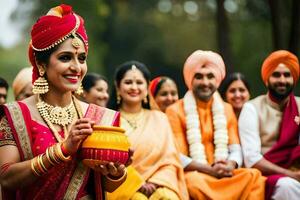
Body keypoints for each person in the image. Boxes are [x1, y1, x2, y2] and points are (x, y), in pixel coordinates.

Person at [0, 4, 127, 199]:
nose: (76, 67)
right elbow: (7, 178)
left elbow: (104, 186)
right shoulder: (15, 115)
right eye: (66, 58)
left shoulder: (99, 116)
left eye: (82, 58)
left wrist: (116, 172)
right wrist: (63, 149)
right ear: (42, 64)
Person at [166, 50, 265, 200]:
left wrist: (230, 165)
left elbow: (235, 148)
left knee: (254, 176)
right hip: (196, 174)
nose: (205, 83)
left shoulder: (226, 108)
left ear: (217, 80)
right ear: (190, 80)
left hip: (223, 171)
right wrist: (209, 170)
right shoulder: (175, 111)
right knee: (191, 183)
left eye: (210, 76)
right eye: (199, 77)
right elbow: (177, 155)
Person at [107, 61, 189, 200]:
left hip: (160, 182)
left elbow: (170, 159)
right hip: (121, 183)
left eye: (139, 82)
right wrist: (137, 183)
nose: (134, 87)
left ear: (147, 87)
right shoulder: (108, 119)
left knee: (167, 197)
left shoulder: (160, 118)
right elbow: (107, 159)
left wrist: (156, 182)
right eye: (128, 82)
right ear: (118, 86)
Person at [238, 50, 300, 200]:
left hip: (296, 171)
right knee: (288, 186)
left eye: (287, 75)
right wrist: (291, 175)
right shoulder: (251, 108)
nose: (282, 80)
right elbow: (251, 159)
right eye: (276, 75)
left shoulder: (299, 105)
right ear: (267, 79)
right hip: (265, 176)